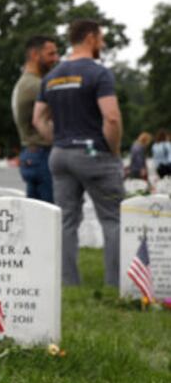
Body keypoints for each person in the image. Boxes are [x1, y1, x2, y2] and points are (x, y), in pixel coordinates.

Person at [33, 18, 124, 287]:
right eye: (101, 38)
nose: (103, 43)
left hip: (60, 155)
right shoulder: (99, 73)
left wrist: (59, 140)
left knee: (66, 221)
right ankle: (115, 284)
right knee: (113, 219)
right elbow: (112, 118)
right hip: (94, 153)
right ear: (91, 37)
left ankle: (67, 282)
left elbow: (38, 119)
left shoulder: (51, 77)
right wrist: (114, 150)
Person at [12, 35, 59, 202]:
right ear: (34, 55)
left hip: (30, 154)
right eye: (50, 54)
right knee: (53, 216)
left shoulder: (23, 83)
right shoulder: (37, 85)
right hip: (43, 154)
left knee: (37, 217)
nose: (56, 59)